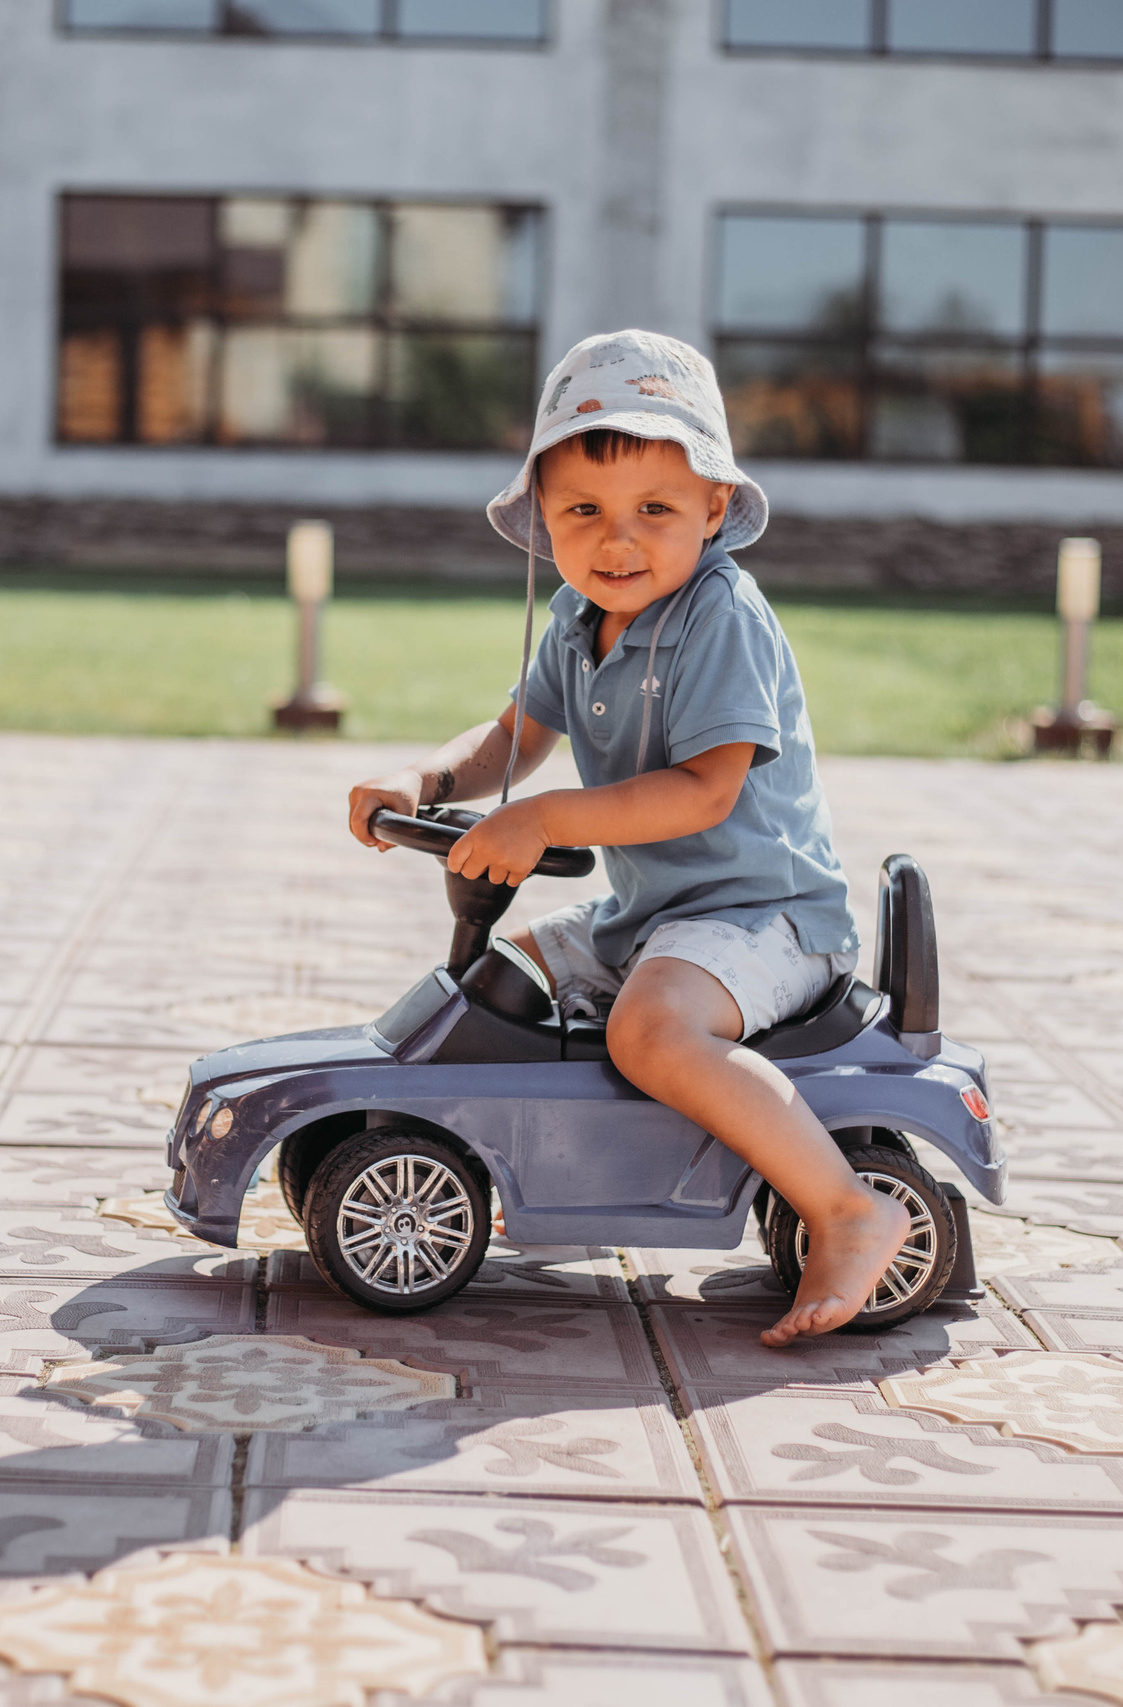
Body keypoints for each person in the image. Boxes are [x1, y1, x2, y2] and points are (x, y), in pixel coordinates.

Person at [346, 329, 908, 1345]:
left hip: (764, 919)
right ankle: (544, 1166)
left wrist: (549, 817)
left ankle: (845, 1207)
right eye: (584, 514)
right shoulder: (574, 619)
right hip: (652, 914)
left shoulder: (721, 619)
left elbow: (701, 792)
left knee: (647, 1029)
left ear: (716, 509)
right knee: (495, 986)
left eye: (654, 509)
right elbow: (515, 737)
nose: (618, 542)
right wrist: (428, 778)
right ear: (542, 523)